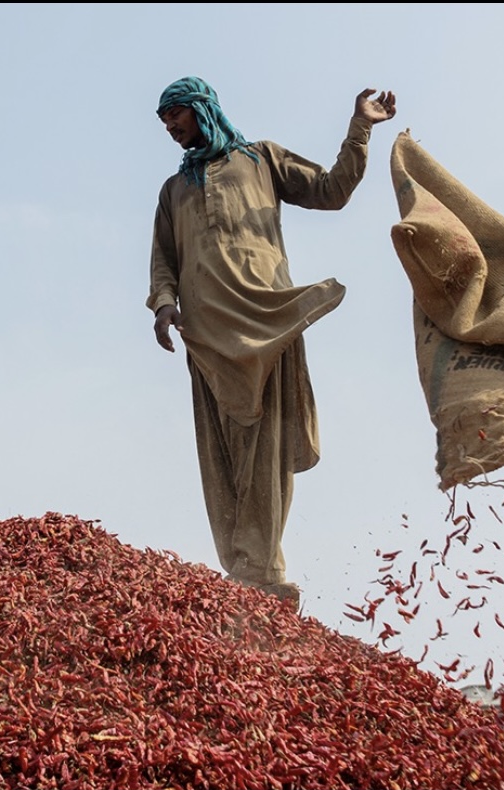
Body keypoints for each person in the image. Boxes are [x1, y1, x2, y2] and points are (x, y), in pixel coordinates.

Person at [147, 77, 396, 608]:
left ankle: (262, 569)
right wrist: (164, 304)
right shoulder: (174, 190)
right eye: (164, 121)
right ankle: (242, 567)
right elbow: (164, 259)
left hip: (266, 319)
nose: (170, 127)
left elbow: (331, 191)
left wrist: (360, 128)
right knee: (222, 452)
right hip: (207, 334)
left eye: (176, 115)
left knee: (265, 443)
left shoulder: (261, 159)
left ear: (202, 109)